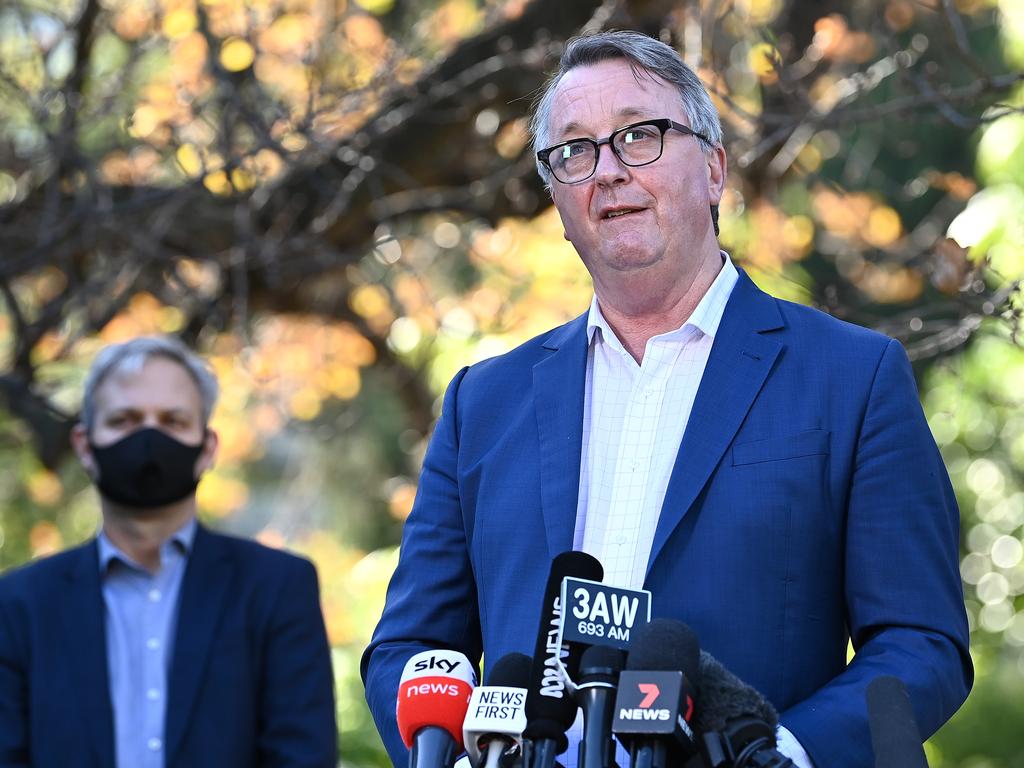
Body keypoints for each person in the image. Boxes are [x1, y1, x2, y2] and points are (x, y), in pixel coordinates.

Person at [362, 30, 972, 768]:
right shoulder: (482, 404)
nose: (608, 172)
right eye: (575, 152)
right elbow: (411, 648)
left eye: (639, 136)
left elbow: (921, 644)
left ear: (714, 169)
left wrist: (775, 753)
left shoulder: (852, 377)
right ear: (557, 201)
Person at [0, 336, 337, 768]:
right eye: (125, 419)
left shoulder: (277, 589)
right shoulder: (19, 606)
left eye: (173, 421)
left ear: (207, 448)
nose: (148, 438)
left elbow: (303, 758)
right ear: (85, 445)